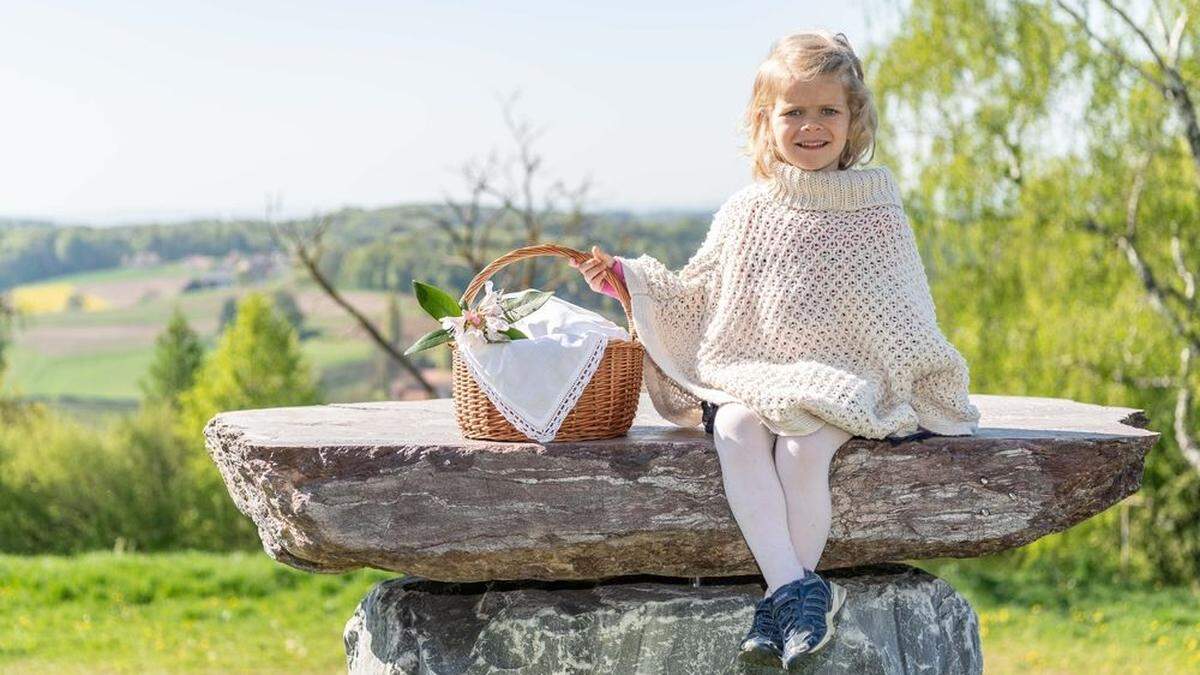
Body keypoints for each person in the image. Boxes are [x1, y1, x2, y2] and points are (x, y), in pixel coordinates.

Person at [569, 29, 980, 670]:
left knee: (802, 447)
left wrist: (899, 371)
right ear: (767, 121)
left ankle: (783, 597)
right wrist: (629, 279)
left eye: (827, 111)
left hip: (847, 375)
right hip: (754, 371)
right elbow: (697, 294)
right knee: (734, 425)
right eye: (794, 111)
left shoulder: (876, 206)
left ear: (854, 121)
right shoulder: (749, 208)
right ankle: (795, 590)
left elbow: (898, 311)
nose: (810, 126)